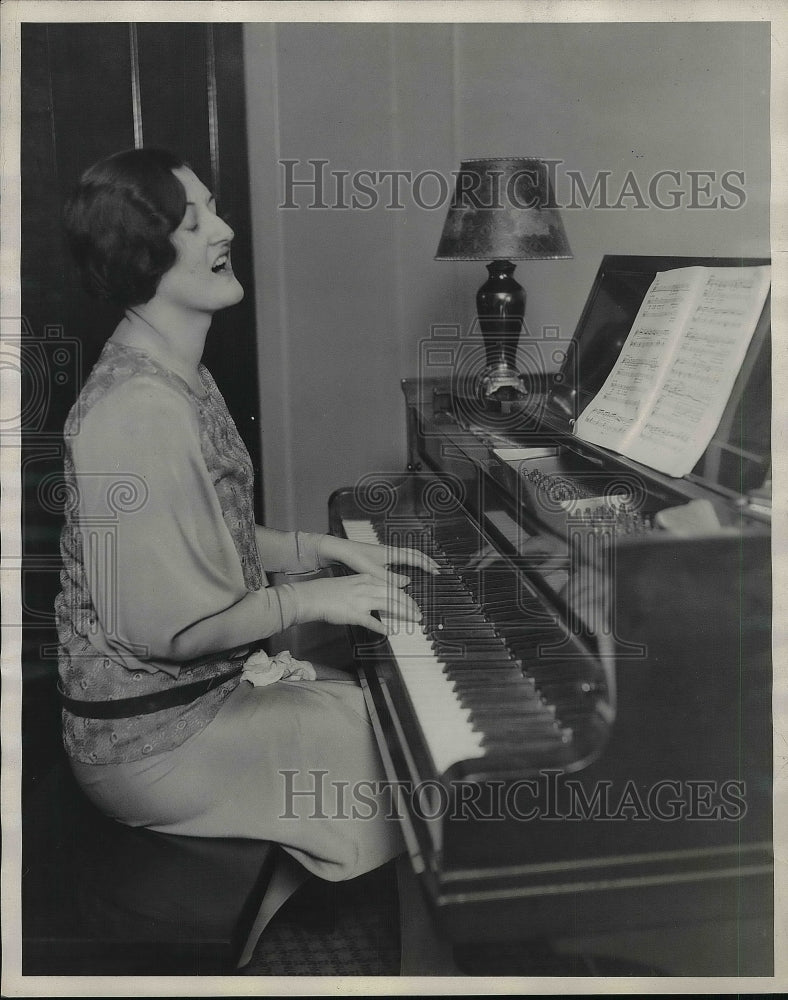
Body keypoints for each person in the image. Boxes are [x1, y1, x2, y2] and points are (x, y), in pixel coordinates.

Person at [55, 148, 438, 899]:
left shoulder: (176, 371)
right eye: (195, 222)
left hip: (192, 704)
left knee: (387, 710)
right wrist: (309, 598)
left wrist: (317, 549)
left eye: (214, 209)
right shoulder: (139, 410)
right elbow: (169, 630)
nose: (226, 228)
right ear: (141, 255)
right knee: (414, 750)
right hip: (152, 741)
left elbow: (199, 535)